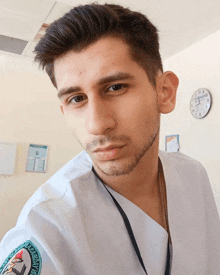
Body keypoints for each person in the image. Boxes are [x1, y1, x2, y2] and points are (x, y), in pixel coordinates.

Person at [0, 3, 220, 275]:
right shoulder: (47, 228)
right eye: (76, 99)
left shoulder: (193, 176)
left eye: (115, 87)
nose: (96, 124)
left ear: (164, 92)